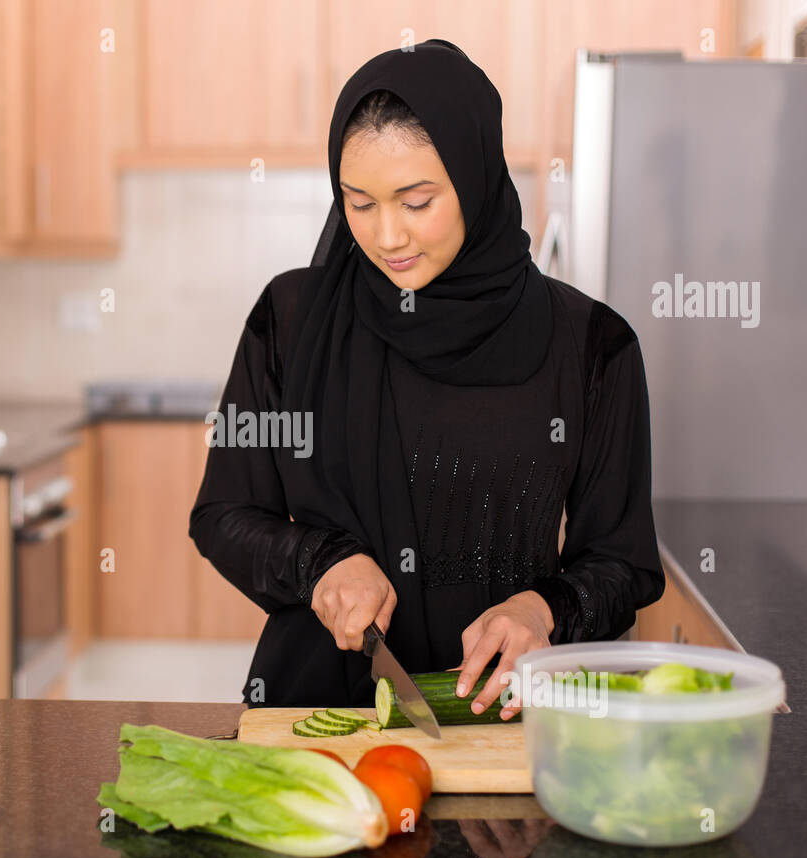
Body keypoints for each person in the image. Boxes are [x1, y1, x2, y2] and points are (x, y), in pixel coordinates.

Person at [189, 39, 665, 716]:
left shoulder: (594, 345)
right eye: (359, 204)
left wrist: (543, 608)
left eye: (417, 202)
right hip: (324, 717)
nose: (386, 238)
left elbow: (624, 564)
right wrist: (316, 561)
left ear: (473, 179)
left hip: (509, 717)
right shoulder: (290, 321)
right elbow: (224, 515)